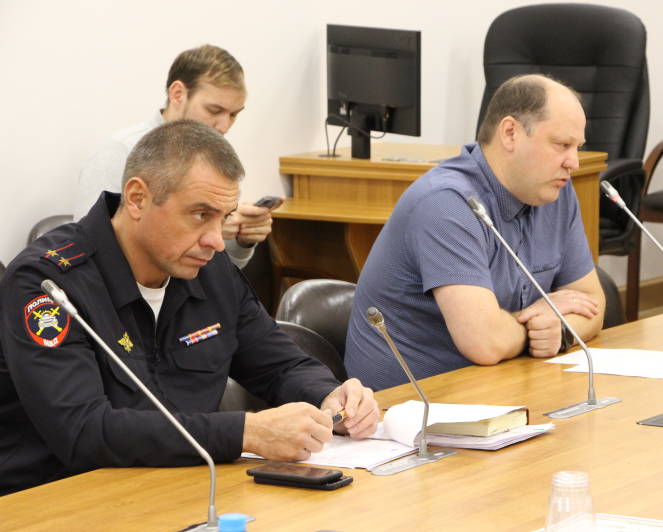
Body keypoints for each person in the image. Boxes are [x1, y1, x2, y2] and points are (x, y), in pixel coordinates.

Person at [0, 120, 379, 496]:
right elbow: (82, 431)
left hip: (185, 488)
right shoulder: (48, 284)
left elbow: (281, 365)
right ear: (137, 198)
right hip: (58, 500)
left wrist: (329, 398)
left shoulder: (210, 271)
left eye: (224, 217)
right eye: (200, 215)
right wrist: (245, 433)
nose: (217, 241)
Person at [344, 74, 605, 391]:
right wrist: (539, 326)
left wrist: (557, 330)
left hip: (500, 386)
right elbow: (484, 343)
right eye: (562, 145)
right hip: (414, 404)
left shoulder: (555, 192)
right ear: (510, 133)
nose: (573, 162)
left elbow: (593, 305)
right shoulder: (446, 203)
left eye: (577, 147)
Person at [75, 44, 275, 268]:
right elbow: (89, 246)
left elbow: (223, 274)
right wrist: (211, 227)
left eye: (234, 115)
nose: (224, 126)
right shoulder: (119, 152)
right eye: (214, 110)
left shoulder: (216, 159)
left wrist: (241, 240)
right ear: (178, 94)